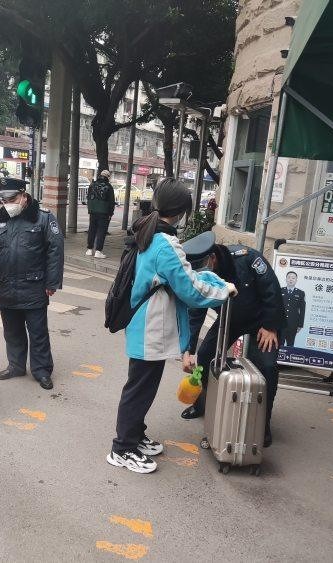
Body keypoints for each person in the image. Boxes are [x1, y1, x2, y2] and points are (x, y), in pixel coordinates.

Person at [107, 178, 235, 474]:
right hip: (150, 328)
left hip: (145, 325)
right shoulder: (165, 244)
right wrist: (223, 289)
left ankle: (135, 435)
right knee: (139, 389)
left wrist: (213, 281)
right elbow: (190, 288)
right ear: (180, 211)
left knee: (142, 385)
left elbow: (183, 278)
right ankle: (122, 448)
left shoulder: (148, 231)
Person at [180, 232, 285, 447]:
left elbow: (272, 290)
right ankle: (202, 404)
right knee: (206, 355)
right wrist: (188, 350)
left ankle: (262, 424)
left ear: (212, 258)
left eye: (203, 267)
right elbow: (195, 314)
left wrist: (270, 326)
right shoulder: (200, 275)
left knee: (267, 367)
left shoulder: (248, 258)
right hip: (230, 319)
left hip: (262, 321)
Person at [0, 177, 64, 390]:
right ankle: (16, 366)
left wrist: (52, 282)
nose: (8, 204)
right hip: (7, 285)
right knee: (12, 331)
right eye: (4, 200)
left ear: (24, 196)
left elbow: (55, 250)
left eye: (12, 199)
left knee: (38, 332)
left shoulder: (43, 218)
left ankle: (42, 370)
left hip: (34, 285)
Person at [85, 170, 116, 259]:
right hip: (104, 212)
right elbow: (111, 202)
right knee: (101, 231)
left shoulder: (92, 185)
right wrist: (110, 213)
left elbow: (88, 198)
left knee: (92, 229)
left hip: (93, 211)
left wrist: (90, 209)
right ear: (108, 177)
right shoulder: (108, 186)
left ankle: (89, 249)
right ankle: (98, 251)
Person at [282, 271, 306, 346]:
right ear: (286, 279)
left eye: (293, 278)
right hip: (280, 323)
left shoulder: (300, 293)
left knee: (290, 344)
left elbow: (302, 310)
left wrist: (300, 324)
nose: (291, 279)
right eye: (289, 277)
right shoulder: (280, 290)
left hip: (293, 324)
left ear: (296, 280)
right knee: (279, 344)